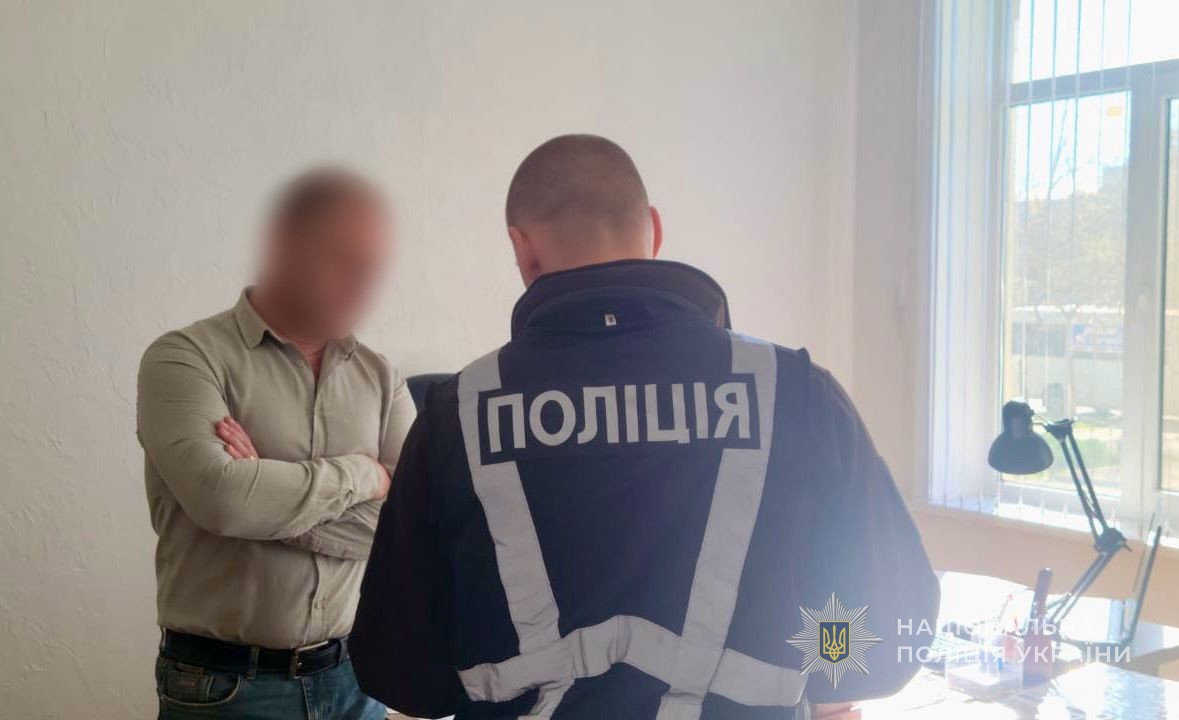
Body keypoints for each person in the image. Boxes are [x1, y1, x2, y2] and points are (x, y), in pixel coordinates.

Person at [350, 135, 939, 719]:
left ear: (522, 250)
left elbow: (401, 674)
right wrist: (807, 661)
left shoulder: (457, 415)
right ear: (653, 230)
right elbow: (889, 642)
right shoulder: (798, 394)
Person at [137, 168, 414, 720]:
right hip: (224, 688)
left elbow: (411, 530)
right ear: (285, 244)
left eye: (373, 268)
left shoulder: (382, 379)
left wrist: (265, 488)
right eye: (344, 259)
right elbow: (223, 501)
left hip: (355, 681)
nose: (362, 285)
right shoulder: (184, 359)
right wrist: (364, 475)